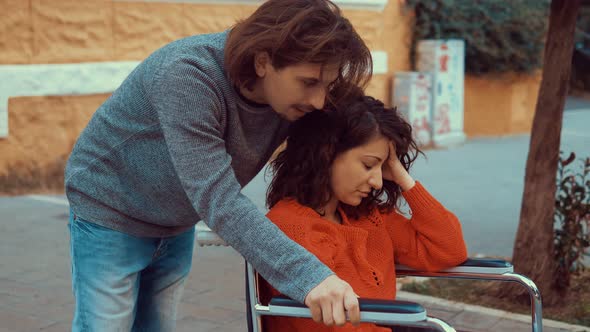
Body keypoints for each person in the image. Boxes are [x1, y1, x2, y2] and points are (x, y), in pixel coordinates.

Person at [64, 0, 372, 330]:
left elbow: (360, 122)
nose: (319, 101)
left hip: (175, 220)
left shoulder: (292, 95)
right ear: (263, 61)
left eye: (327, 85)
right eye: (309, 83)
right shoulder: (187, 75)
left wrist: (388, 160)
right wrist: (311, 277)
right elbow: (218, 199)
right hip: (111, 211)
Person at [260, 91, 469, 331]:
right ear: (326, 154)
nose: (378, 182)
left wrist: (403, 178)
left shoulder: (368, 216)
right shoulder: (289, 227)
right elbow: (328, 326)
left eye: (383, 166)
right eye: (369, 165)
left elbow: (449, 251)